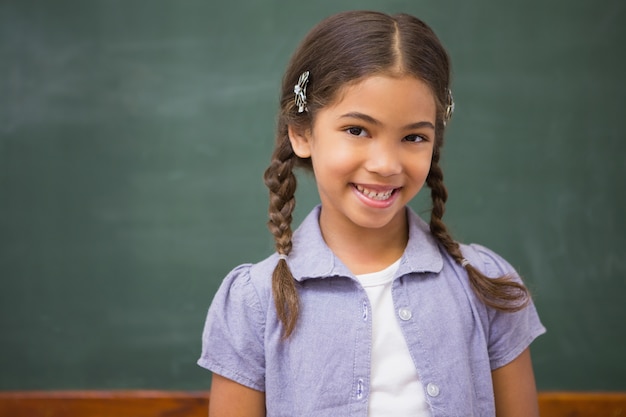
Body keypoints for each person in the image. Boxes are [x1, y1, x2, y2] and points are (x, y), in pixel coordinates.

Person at [198, 10, 545, 417]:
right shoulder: (253, 303)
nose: (385, 164)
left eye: (413, 137)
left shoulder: (487, 286)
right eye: (358, 130)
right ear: (301, 133)